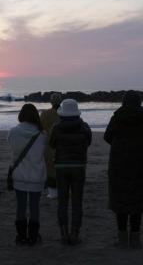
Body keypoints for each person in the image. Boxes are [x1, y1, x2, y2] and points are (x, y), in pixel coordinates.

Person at [103, 91, 143, 249]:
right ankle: (135, 238)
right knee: (137, 202)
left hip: (119, 165)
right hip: (139, 164)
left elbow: (107, 137)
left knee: (120, 202)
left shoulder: (117, 117)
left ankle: (122, 238)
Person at [50, 99, 92, 246]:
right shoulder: (84, 127)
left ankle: (63, 234)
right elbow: (89, 142)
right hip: (79, 166)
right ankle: (74, 234)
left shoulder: (56, 127)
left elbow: (52, 144)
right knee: (77, 202)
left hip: (61, 167)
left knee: (62, 202)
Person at [7, 104, 47, 246]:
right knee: (35, 206)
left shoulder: (13, 132)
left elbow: (12, 148)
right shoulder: (42, 135)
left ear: (21, 115)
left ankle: (21, 236)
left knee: (21, 206)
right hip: (37, 175)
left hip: (19, 174)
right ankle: (33, 237)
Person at [40, 92, 62, 199]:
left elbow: (40, 129)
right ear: (61, 101)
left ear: (51, 102)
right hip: (63, 144)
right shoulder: (65, 113)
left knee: (50, 168)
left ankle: (52, 192)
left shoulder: (45, 114)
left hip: (49, 144)